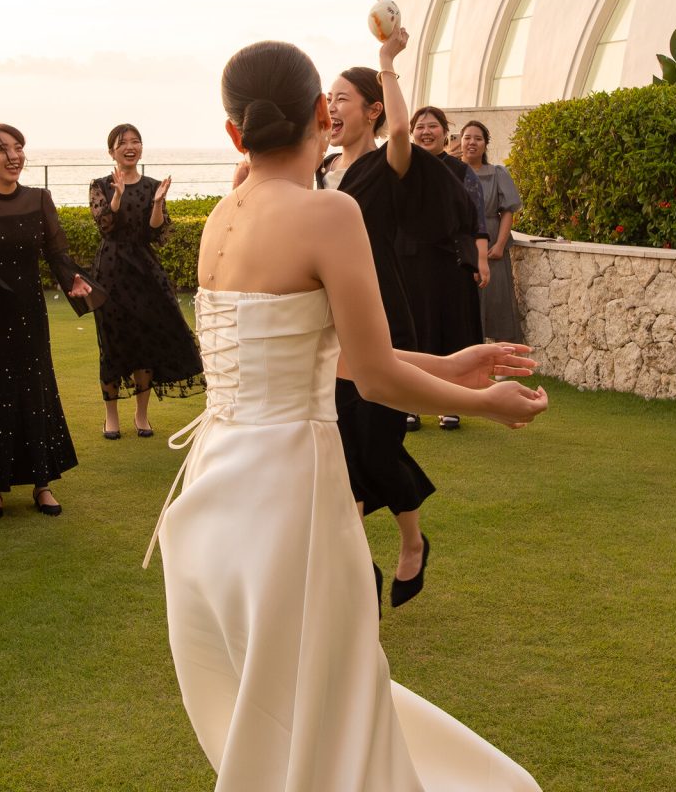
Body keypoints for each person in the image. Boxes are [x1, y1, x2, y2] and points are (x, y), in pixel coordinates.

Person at [150, 39, 547, 791]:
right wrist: (484, 405)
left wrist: (449, 364)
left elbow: (312, 353)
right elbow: (372, 375)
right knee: (328, 682)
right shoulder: (329, 213)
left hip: (214, 490)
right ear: (320, 117)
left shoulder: (222, 217)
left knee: (288, 700)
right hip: (288, 494)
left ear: (234, 132)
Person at [318, 32, 473, 607]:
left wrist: (386, 61)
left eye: (343, 98)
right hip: (329, 325)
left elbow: (403, 132)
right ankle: (358, 569)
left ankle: (411, 544)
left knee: (377, 447)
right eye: (328, 99)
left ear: (372, 110)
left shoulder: (387, 163)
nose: (332, 107)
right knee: (344, 449)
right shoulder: (322, 169)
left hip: (382, 315)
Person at [0, 122, 100, 519]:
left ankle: (42, 484)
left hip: (29, 314)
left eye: (19, 148)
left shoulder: (39, 199)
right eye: (4, 150)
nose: (14, 156)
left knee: (34, 393)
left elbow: (57, 253)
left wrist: (72, 279)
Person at [89, 123, 201, 439]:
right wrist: (117, 196)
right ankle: (111, 417)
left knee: (145, 342)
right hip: (111, 271)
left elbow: (155, 232)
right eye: (122, 142)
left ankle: (141, 415)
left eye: (135, 141)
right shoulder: (100, 185)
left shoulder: (153, 186)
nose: (130, 147)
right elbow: (105, 226)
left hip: (144, 271)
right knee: (112, 343)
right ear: (111, 151)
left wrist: (157, 203)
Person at [411, 106, 490, 430]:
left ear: (445, 133)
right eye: (420, 127)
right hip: (408, 262)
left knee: (451, 332)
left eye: (433, 126)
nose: (426, 132)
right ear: (411, 132)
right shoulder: (400, 166)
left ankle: (449, 404)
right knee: (412, 332)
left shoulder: (460, 171)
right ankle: (411, 404)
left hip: (451, 264)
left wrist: (481, 260)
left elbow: (476, 220)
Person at [460, 120, 524, 343]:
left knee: (497, 301)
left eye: (478, 138)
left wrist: (499, 244)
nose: (472, 142)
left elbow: (507, 211)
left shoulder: (497, 173)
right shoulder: (451, 171)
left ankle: (502, 356)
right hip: (461, 244)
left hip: (492, 244)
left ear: (485, 144)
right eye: (467, 138)